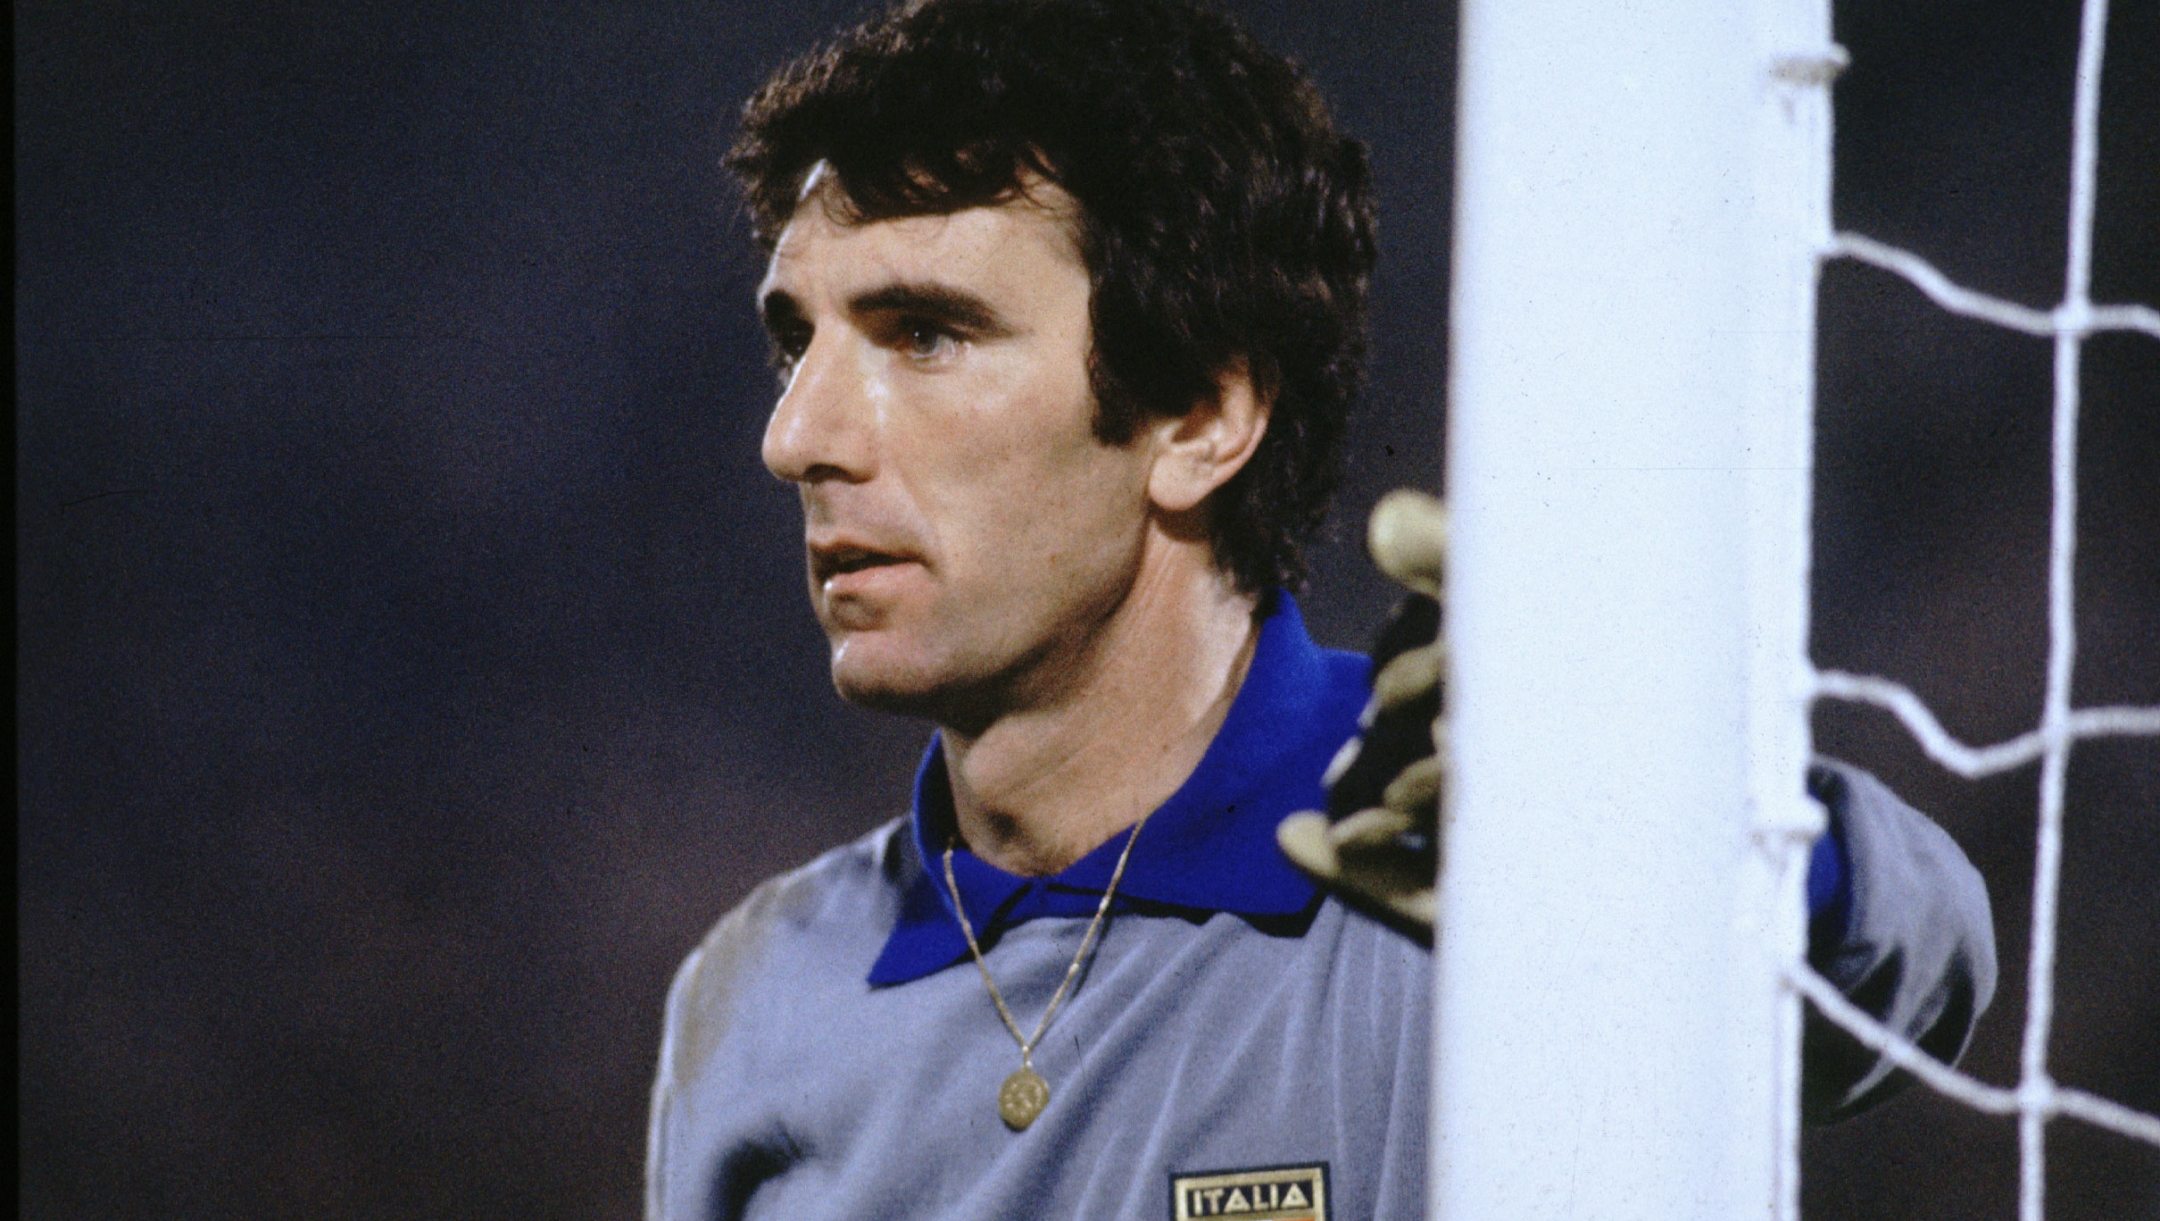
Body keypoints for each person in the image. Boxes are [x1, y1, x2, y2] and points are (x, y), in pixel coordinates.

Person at [645, 2, 1997, 1218]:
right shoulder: (752, 993)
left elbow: (1926, 953)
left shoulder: (1463, 837)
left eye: (925, 333)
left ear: (1202, 417)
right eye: (795, 340)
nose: (797, 434)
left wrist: (1629, 814)